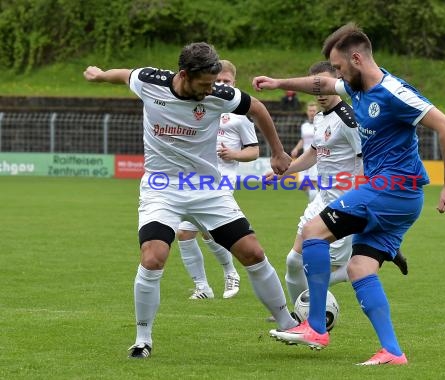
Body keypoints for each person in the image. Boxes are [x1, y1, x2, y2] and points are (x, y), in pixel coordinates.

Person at [253, 23, 445, 365]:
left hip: (393, 188)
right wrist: (279, 83)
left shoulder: (394, 92)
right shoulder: (358, 87)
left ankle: (315, 326)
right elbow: (319, 83)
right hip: (396, 196)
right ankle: (393, 351)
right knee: (360, 268)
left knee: (312, 232)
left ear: (356, 58)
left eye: (338, 67)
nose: (335, 75)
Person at [83, 42, 298, 359]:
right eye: (205, 84)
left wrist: (278, 151)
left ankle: (288, 323)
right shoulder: (149, 81)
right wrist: (101, 75)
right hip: (162, 187)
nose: (211, 89)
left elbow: (258, 109)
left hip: (207, 188)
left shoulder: (218, 96)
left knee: (252, 251)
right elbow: (123, 75)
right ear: (184, 74)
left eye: (214, 83)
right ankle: (143, 340)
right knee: (153, 257)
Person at [266, 61, 408, 313]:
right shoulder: (320, 118)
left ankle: (313, 316)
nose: (319, 94)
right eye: (314, 89)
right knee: (293, 262)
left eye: (323, 87)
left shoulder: (350, 120)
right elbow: (314, 152)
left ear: (337, 84)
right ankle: (301, 317)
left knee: (316, 272)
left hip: (343, 204)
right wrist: (283, 171)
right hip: (321, 200)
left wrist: (362, 200)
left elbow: (369, 159)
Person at [177, 60, 259, 300]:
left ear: (235, 83)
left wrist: (233, 154)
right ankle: (203, 287)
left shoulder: (239, 116)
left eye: (227, 82)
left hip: (223, 179)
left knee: (207, 231)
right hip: (196, 178)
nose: (223, 85)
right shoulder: (201, 107)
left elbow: (253, 150)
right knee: (185, 234)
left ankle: (230, 271)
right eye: (218, 81)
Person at [290, 101, 319, 201]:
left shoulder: (320, 124)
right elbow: (303, 140)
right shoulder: (304, 126)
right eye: (310, 110)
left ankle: (314, 208)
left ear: (317, 111)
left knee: (312, 183)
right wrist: (296, 148)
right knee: (302, 185)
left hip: (315, 157)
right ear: (307, 112)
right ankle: (317, 201)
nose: (311, 112)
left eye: (314, 110)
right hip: (304, 157)